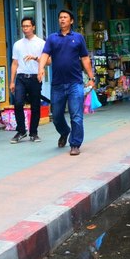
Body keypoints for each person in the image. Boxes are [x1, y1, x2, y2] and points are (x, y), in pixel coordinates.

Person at [37, 10, 95, 156]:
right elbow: (45, 54)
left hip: (75, 83)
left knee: (76, 115)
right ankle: (64, 132)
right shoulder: (52, 38)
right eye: (60, 18)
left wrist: (91, 78)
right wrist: (40, 68)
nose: (62, 20)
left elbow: (85, 58)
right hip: (57, 84)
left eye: (65, 17)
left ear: (71, 21)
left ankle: (75, 144)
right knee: (56, 115)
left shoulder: (78, 37)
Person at [9, 16, 45, 143]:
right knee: (18, 103)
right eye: (23, 26)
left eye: (28, 26)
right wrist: (12, 81)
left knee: (35, 105)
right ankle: (21, 131)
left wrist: (35, 58)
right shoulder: (18, 44)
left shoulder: (41, 43)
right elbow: (14, 63)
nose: (25, 28)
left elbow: (49, 61)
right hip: (21, 78)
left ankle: (34, 132)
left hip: (35, 78)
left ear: (33, 27)